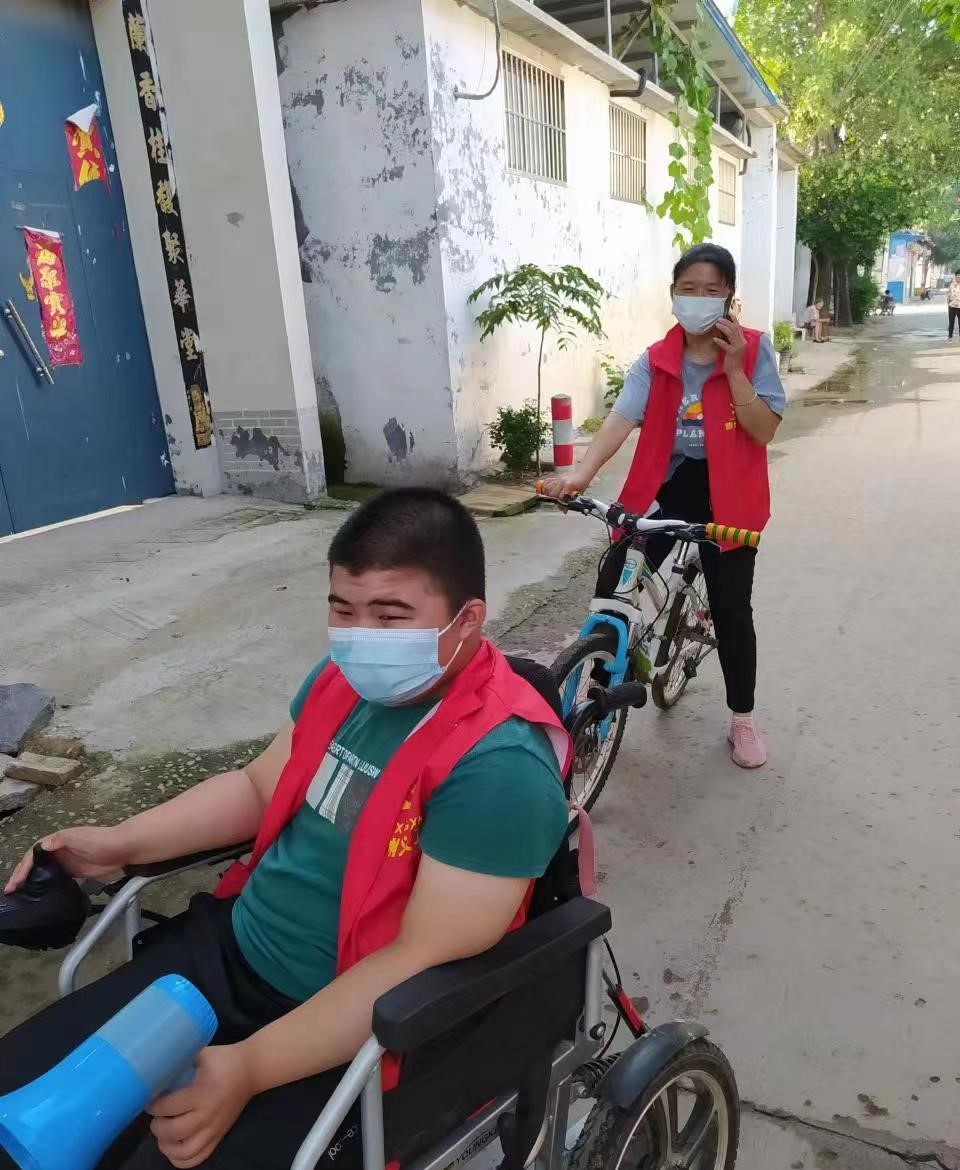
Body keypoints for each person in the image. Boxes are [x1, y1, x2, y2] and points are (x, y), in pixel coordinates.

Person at [0, 489, 570, 1170]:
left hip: (347, 1032)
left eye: (390, 615)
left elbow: (416, 962)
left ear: (467, 618)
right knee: (23, 1100)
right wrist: (121, 843)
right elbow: (256, 787)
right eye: (343, 610)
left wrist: (248, 1068)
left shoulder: (500, 767)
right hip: (223, 958)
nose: (361, 637)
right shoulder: (342, 681)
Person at [542, 243, 785, 770]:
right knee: (615, 581)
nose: (698, 298)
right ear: (673, 294)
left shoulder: (754, 350)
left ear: (728, 296)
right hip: (671, 484)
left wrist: (736, 370)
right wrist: (580, 475)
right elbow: (621, 418)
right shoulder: (656, 359)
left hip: (731, 498)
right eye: (688, 289)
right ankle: (597, 706)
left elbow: (763, 429)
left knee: (731, 607)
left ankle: (742, 719)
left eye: (711, 290)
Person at [948, 270, 960, 339]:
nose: (959, 277)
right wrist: (948, 304)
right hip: (952, 307)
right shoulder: (952, 284)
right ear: (955, 276)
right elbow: (949, 294)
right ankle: (950, 336)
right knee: (951, 323)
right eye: (957, 275)